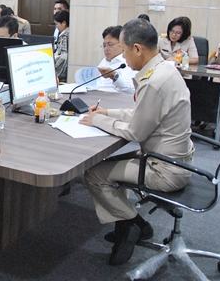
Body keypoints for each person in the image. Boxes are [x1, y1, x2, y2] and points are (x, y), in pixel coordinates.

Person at [79, 19, 194, 266]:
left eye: (124, 49)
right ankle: (135, 224)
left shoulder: (154, 82)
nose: (123, 56)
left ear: (138, 49)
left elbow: (136, 132)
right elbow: (143, 114)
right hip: (176, 158)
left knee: (95, 175)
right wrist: (107, 113)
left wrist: (97, 121)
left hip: (165, 168)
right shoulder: (165, 70)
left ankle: (130, 225)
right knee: (107, 167)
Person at [75, 26, 137, 94]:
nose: (106, 49)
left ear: (121, 44)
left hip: (115, 98)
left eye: (110, 45)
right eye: (104, 46)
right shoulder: (105, 61)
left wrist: (114, 76)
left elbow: (132, 90)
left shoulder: (127, 62)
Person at [53, 10, 69, 82]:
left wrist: (54, 64)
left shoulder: (65, 36)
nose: (56, 27)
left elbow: (64, 56)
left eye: (57, 24)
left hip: (61, 72)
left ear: (64, 23)